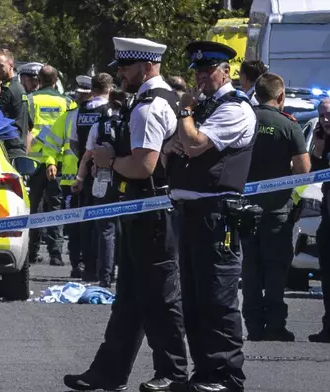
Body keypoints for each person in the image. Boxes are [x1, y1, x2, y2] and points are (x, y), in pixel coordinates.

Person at [64, 37, 188, 392]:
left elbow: (143, 165)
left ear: (146, 66)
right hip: (144, 211)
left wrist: (109, 161)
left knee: (161, 299)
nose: (119, 73)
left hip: (152, 212)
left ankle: (173, 373)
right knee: (130, 298)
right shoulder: (160, 98)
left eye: (125, 66)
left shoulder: (149, 106)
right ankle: (109, 372)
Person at [164, 41, 257, 392]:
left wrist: (186, 113)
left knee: (218, 297)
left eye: (208, 71)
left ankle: (226, 375)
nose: (201, 78)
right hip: (190, 212)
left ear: (226, 71)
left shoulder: (234, 108)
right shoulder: (207, 106)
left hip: (216, 214)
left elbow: (195, 144)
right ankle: (204, 371)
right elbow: (176, 145)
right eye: (198, 72)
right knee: (193, 297)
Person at [241, 72, 311, 342]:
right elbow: (303, 171)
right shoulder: (289, 125)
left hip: (244, 209)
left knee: (249, 267)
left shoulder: (244, 120)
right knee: (275, 268)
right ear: (280, 96)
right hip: (277, 210)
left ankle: (254, 326)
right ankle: (275, 324)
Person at [70, 74, 118, 286]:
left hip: (87, 171)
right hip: (112, 173)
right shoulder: (111, 112)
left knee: (88, 221)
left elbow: (73, 142)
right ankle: (107, 270)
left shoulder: (81, 110)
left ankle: (89, 267)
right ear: (110, 88)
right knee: (110, 224)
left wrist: (82, 170)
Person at [25, 64, 76, 266]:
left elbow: (24, 129)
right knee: (55, 206)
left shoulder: (30, 101)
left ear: (39, 80)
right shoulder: (67, 102)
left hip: (34, 162)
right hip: (58, 161)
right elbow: (71, 132)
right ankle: (56, 254)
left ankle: (31, 252)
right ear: (56, 81)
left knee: (34, 207)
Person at [309, 98, 330, 343]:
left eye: (329, 115)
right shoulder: (321, 139)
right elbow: (313, 173)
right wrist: (319, 147)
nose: (326, 120)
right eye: (322, 115)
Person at [0, 48, 30, 159]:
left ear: (11, 65)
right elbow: (29, 125)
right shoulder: (19, 87)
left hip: (9, 152)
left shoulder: (8, 90)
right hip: (18, 151)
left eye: (0, 66)